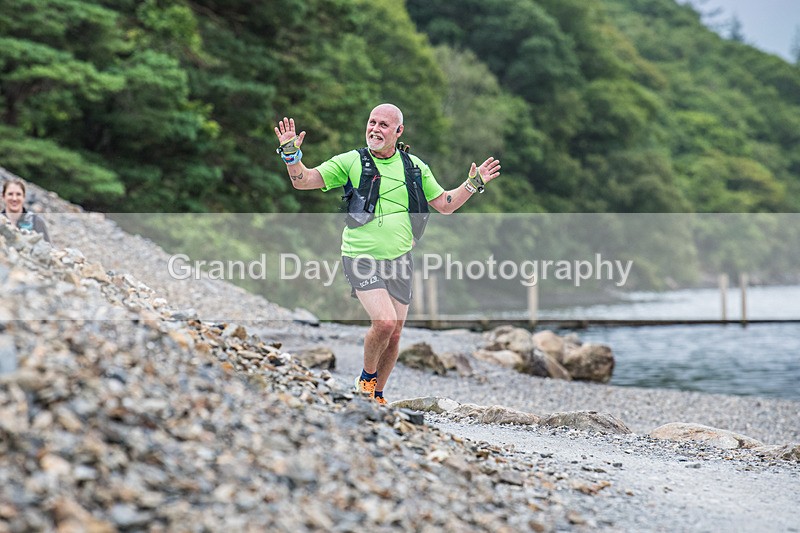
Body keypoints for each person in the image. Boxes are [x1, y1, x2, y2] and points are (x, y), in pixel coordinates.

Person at [274, 103, 500, 404]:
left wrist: (473, 184)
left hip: (400, 259)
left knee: (394, 335)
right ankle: (366, 380)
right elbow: (303, 181)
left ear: (398, 131)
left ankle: (377, 395)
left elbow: (446, 204)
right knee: (384, 322)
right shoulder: (351, 161)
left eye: (383, 125)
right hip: (360, 257)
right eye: (372, 122)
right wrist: (291, 154)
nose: (375, 129)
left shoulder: (415, 167)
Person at [1, 179, 51, 243]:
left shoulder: (36, 222)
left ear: (24, 196)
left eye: (18, 194)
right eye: (10, 194)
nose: (14, 198)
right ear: (3, 196)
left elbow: (48, 250)